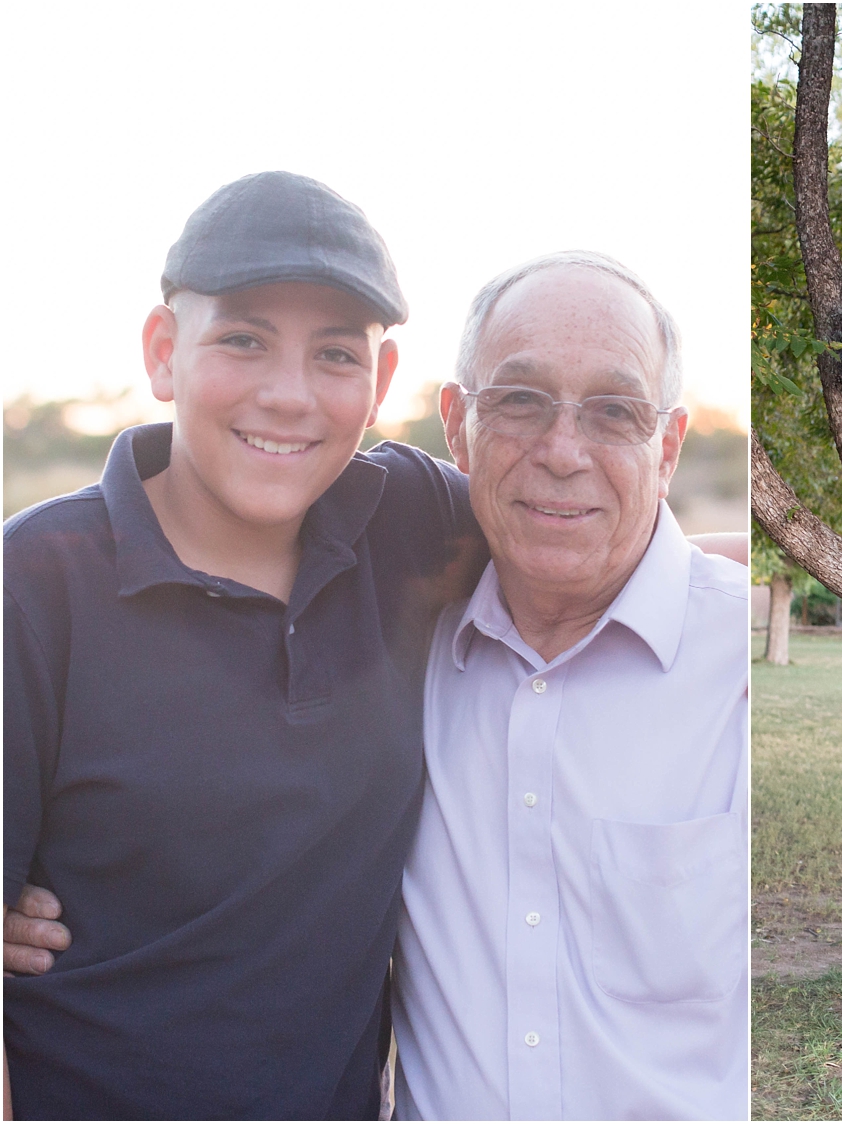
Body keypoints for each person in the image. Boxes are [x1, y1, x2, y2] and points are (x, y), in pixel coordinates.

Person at [3, 171, 487, 1119]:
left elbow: (605, 551)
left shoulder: (412, 519)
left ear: (382, 383)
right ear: (163, 351)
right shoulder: (36, 580)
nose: (289, 396)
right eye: (243, 339)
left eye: (337, 354)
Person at [390, 253, 748, 1121]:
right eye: (518, 400)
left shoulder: (734, 673)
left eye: (615, 412)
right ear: (458, 424)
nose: (561, 452)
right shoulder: (401, 654)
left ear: (666, 446)